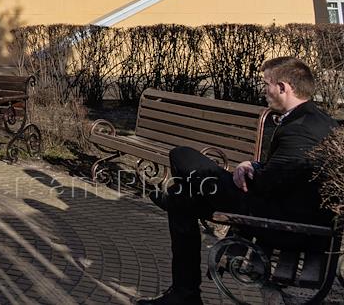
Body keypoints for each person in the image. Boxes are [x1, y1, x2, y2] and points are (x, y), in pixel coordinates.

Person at [137, 55, 336, 305]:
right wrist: (251, 165)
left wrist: (247, 173)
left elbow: (267, 184)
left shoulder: (301, 129)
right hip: (281, 209)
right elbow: (289, 172)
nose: (264, 90)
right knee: (183, 199)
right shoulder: (317, 120)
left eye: (267, 84)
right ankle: (183, 288)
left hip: (275, 222)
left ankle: (185, 292)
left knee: (182, 156)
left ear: (283, 87)